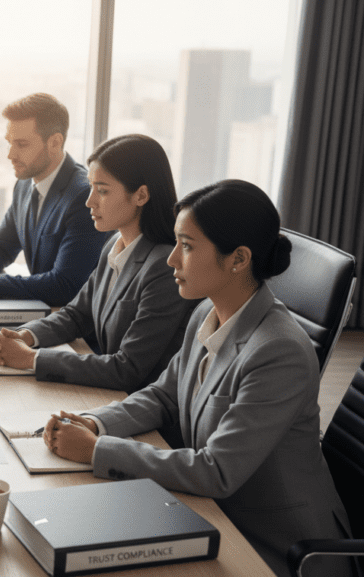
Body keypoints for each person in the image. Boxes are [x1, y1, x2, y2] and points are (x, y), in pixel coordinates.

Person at [42, 180, 353, 575]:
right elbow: (163, 397)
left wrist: (96, 450)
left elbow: (216, 471)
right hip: (211, 514)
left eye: (186, 246)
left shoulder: (279, 352)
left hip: (276, 546)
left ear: (238, 259)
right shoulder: (206, 312)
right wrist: (96, 422)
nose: (171, 259)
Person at [0, 135, 197, 393]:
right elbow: (77, 315)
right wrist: (24, 336)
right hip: (106, 393)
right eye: (91, 187)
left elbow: (127, 369)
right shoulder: (114, 244)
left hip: (142, 409)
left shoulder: (165, 266)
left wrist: (30, 359)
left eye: (103, 191)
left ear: (141, 195)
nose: (89, 201)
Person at [0, 93, 108, 306]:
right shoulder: (25, 184)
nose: (10, 155)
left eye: (21, 144)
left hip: (74, 328)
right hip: (42, 312)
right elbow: (2, 246)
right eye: (10, 143)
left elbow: (65, 285)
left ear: (55, 142)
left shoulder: (82, 197)